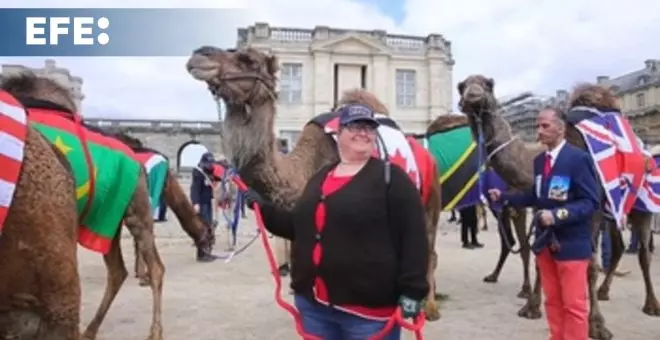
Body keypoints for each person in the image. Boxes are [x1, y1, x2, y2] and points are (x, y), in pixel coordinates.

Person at [243, 103, 429, 339]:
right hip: (314, 306)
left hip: (368, 313)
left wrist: (413, 291)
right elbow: (299, 226)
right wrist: (263, 208)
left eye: (369, 128)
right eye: (355, 126)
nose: (363, 132)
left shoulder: (392, 179)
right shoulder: (321, 177)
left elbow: (414, 237)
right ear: (338, 133)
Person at [488, 107, 599, 340]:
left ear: (561, 128)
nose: (539, 131)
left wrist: (558, 215)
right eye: (537, 126)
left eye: (545, 126)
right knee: (553, 302)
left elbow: (590, 202)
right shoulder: (540, 162)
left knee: (574, 305)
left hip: (571, 245)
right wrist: (506, 197)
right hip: (545, 244)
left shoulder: (578, 159)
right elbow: (537, 197)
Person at [190, 152, 217, 262]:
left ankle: (207, 251)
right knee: (203, 228)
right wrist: (195, 203)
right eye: (208, 163)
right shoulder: (198, 173)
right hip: (201, 203)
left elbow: (215, 177)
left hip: (207, 202)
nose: (210, 165)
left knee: (209, 226)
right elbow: (194, 189)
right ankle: (201, 254)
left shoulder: (208, 172)